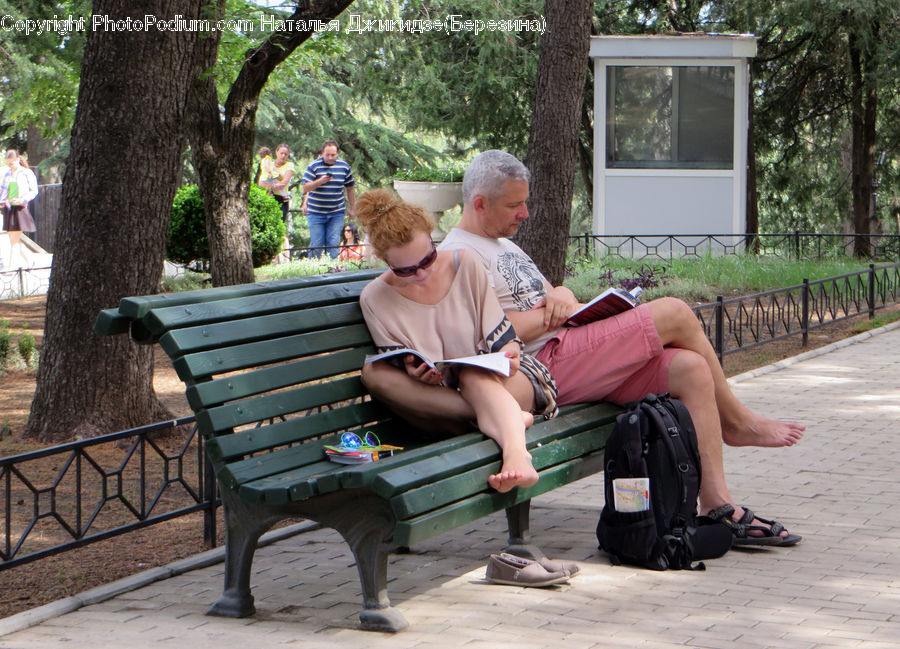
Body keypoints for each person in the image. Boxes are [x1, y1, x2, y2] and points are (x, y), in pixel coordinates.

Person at [363, 150, 805, 546]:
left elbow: (535, 296)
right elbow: (501, 331)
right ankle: (739, 422)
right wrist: (555, 314)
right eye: (515, 204)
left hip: (562, 347)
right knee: (673, 311)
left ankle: (717, 505)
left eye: (525, 202)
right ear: (480, 204)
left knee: (689, 368)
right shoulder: (461, 254)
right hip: (547, 359)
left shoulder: (498, 246)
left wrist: (564, 294)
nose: (525, 213)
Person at [356, 188, 558, 493]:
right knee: (375, 376)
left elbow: (507, 341)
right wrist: (414, 373)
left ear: (432, 238)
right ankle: (507, 419)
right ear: (385, 260)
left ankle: (518, 455)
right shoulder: (374, 298)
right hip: (441, 398)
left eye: (428, 259)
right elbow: (397, 367)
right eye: (406, 270)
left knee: (473, 374)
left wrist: (510, 353)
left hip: (504, 383)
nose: (422, 274)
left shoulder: (465, 263)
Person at [301, 140, 355, 258]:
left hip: (336, 212)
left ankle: (334, 270)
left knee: (333, 243)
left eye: (333, 155)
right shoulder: (314, 166)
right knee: (317, 243)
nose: (330, 157)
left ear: (337, 154)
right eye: (327, 155)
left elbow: (350, 188)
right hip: (316, 212)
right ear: (322, 153)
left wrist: (352, 208)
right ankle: (313, 271)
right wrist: (320, 181)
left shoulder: (344, 167)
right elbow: (305, 187)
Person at [0, 150, 38, 269]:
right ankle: (30, 262)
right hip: (8, 207)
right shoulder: (5, 173)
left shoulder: (26, 173)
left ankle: (11, 267)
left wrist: (22, 199)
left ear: (17, 160)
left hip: (20, 208)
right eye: (8, 163)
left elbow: (34, 191)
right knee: (13, 238)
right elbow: (2, 190)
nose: (10, 165)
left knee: (14, 240)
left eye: (12, 163)